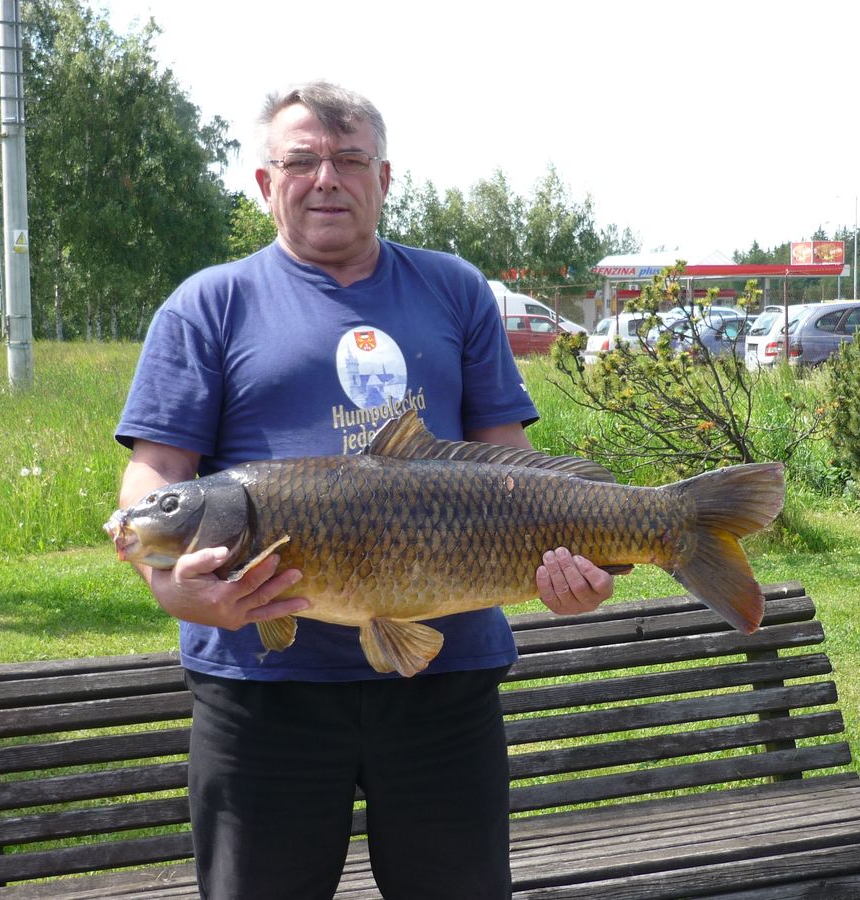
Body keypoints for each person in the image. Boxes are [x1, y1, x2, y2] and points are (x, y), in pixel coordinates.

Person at [114, 81, 615, 900]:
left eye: (350, 161)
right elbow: (157, 476)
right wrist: (173, 587)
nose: (326, 179)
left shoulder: (454, 289)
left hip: (444, 675)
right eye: (301, 161)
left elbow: (510, 461)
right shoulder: (208, 303)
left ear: (385, 179)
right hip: (259, 686)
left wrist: (572, 561)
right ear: (265, 183)